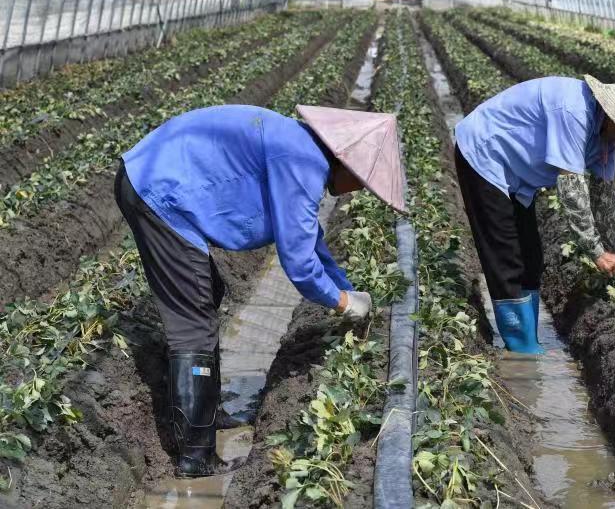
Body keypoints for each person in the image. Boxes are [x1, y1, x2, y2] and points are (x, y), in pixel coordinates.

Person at [114, 104, 406, 477]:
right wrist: (343, 302)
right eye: (363, 181)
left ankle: (205, 412)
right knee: (193, 319)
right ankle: (195, 456)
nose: (359, 189)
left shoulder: (302, 149)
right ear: (348, 162)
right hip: (156, 190)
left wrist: (347, 288)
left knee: (207, 292)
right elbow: (299, 265)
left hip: (158, 180)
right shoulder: (302, 161)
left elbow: (308, 239)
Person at [454, 74, 615, 354]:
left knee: (531, 257)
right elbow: (572, 192)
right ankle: (523, 352)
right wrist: (597, 252)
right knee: (506, 258)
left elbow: (605, 200)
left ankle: (528, 340)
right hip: (485, 155)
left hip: (518, 173)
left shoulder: (606, 138)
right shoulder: (574, 111)